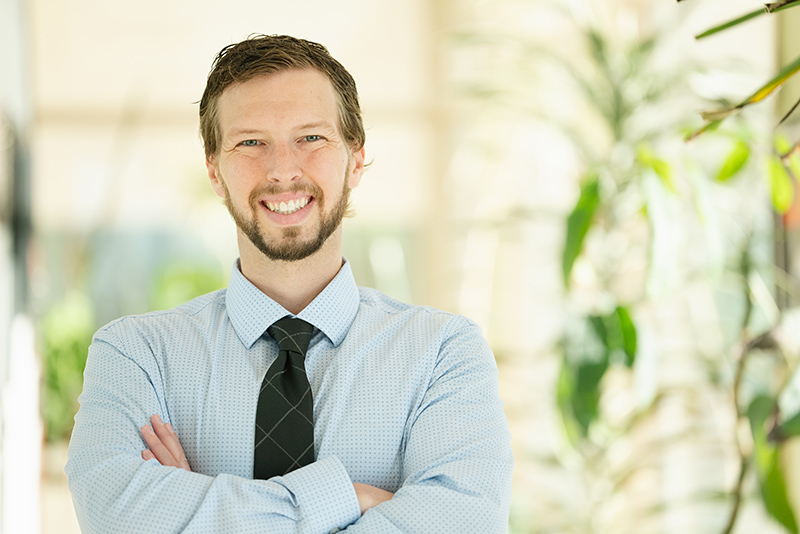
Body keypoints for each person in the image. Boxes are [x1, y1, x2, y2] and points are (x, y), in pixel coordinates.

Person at [66, 34, 513, 533]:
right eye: (251, 142)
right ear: (215, 171)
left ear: (356, 159)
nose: (282, 170)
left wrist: (198, 509)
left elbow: (463, 524)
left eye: (311, 138)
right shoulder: (136, 355)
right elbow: (115, 515)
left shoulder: (444, 354)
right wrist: (352, 498)